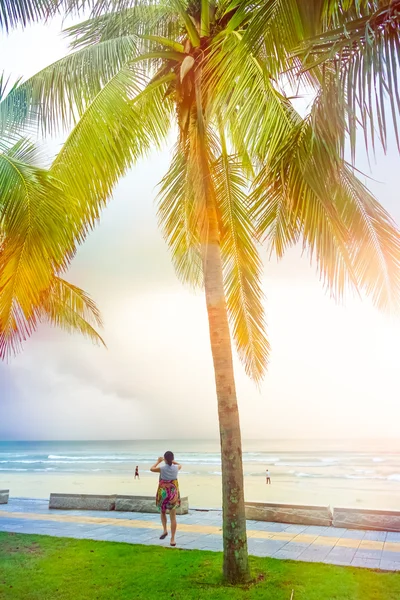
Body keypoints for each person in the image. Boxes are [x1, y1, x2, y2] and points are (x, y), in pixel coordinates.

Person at [150, 451, 182, 547]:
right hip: (173, 493)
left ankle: (164, 530)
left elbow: (152, 469)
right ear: (172, 458)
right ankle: (172, 539)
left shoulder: (162, 468)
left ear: (165, 458)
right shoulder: (176, 468)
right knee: (173, 516)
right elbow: (180, 464)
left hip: (163, 492)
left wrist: (158, 461)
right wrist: (173, 461)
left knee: (163, 512)